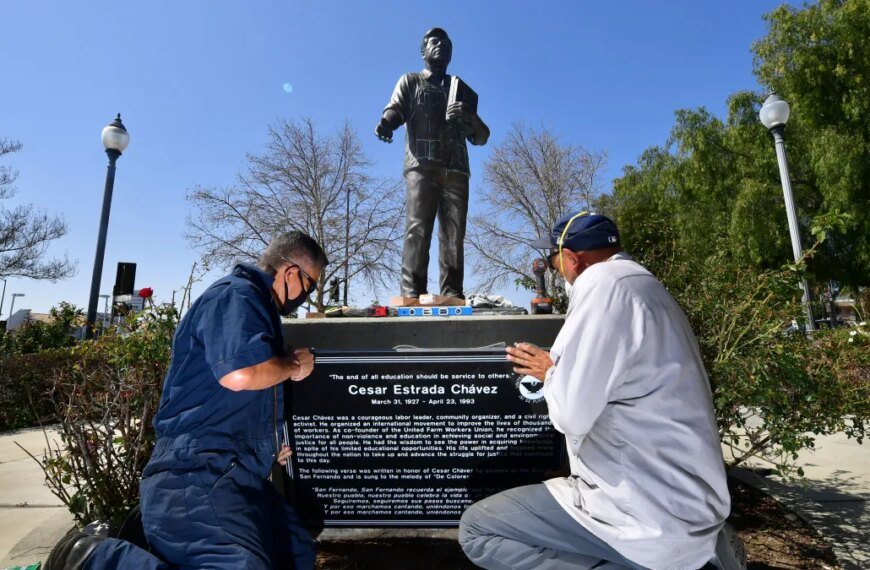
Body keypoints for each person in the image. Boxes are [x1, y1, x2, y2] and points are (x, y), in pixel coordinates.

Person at [458, 212, 730, 569]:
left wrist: (552, 374)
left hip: (645, 509)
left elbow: (572, 414)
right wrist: (557, 370)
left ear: (572, 258)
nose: (556, 274)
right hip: (681, 502)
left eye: (555, 264)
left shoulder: (603, 286)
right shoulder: (642, 283)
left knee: (478, 530)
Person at [54, 231, 327, 570]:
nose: (309, 295)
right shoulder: (237, 296)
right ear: (289, 273)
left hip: (238, 471)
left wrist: (269, 445)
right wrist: (293, 365)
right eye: (310, 285)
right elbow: (239, 374)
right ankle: (93, 559)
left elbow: (233, 398)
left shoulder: (256, 313)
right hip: (197, 468)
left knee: (296, 552)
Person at [375, 27, 489, 299]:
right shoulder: (411, 80)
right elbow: (396, 108)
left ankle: (452, 292)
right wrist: (386, 124)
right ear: (423, 51)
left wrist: (470, 118)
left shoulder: (460, 90)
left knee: (454, 234)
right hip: (422, 165)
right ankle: (412, 292)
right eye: (434, 41)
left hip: (457, 169)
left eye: (446, 42)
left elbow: (482, 137)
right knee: (418, 228)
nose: (441, 45)